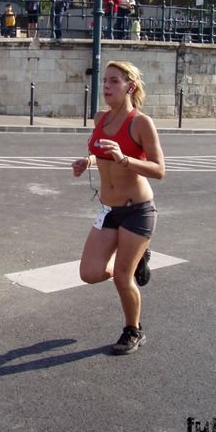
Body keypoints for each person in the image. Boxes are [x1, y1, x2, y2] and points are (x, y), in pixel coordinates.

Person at [72, 61, 165, 355]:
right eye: (105, 81)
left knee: (123, 278)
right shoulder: (101, 118)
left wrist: (125, 159)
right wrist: (86, 162)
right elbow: (100, 154)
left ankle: (132, 330)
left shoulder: (140, 123)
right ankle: (135, 260)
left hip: (137, 210)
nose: (107, 87)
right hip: (109, 211)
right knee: (90, 272)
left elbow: (159, 169)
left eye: (114, 81)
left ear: (130, 87)